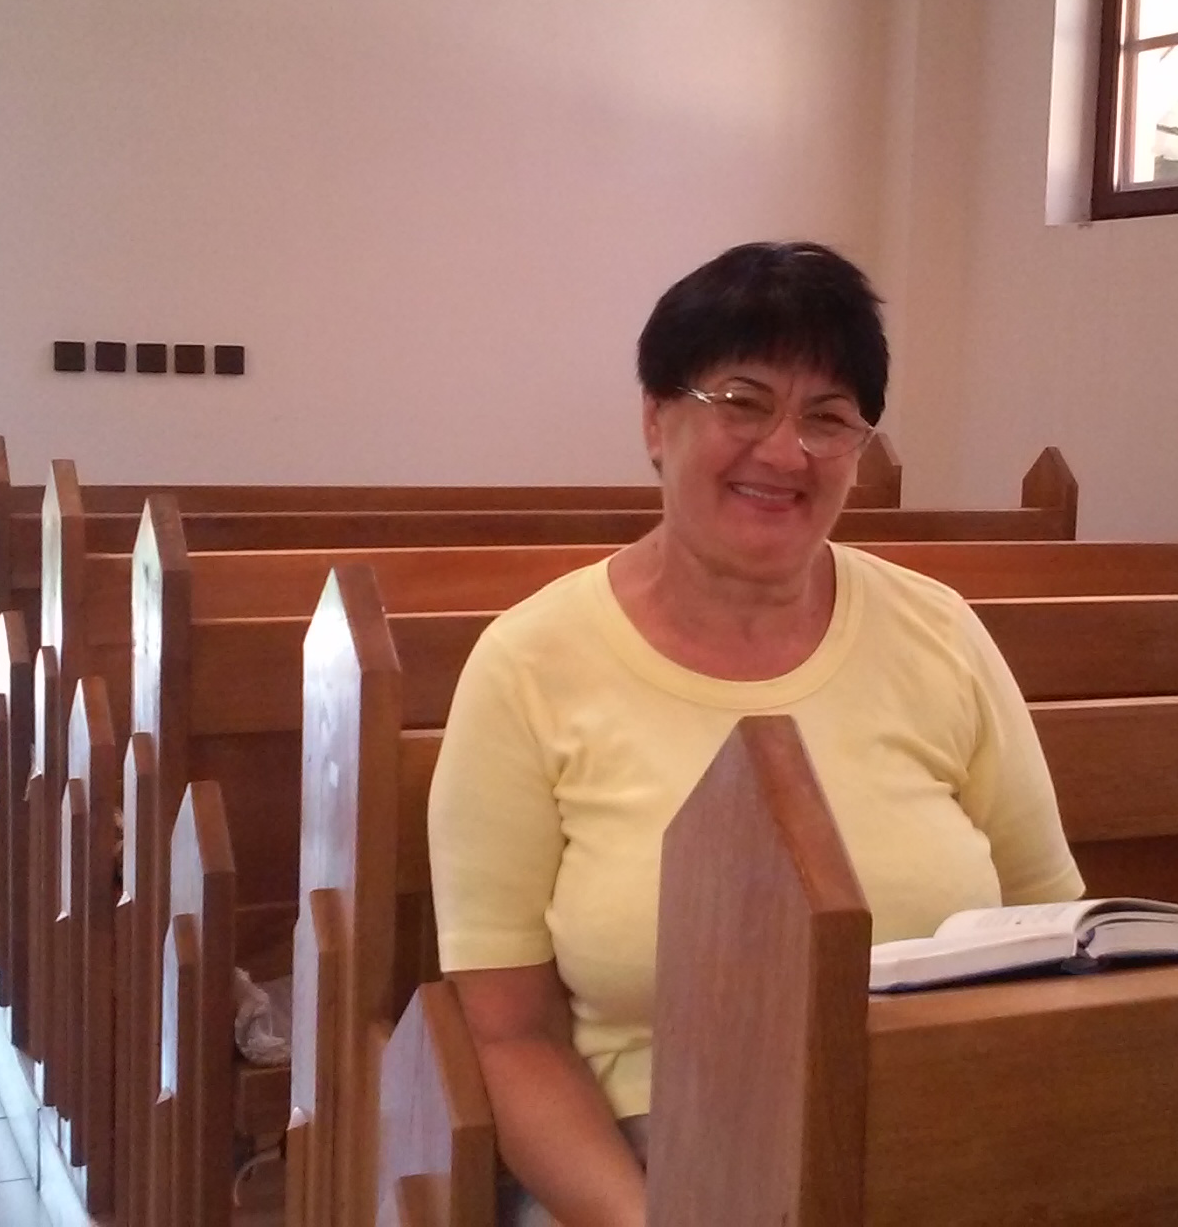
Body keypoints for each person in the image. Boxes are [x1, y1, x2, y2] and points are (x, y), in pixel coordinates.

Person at [427, 240, 1084, 1227]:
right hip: (655, 1161)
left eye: (828, 418)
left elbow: (1051, 926)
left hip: (941, 1141)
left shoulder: (940, 633)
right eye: (742, 402)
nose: (784, 452)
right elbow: (509, 1036)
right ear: (656, 419)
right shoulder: (528, 666)